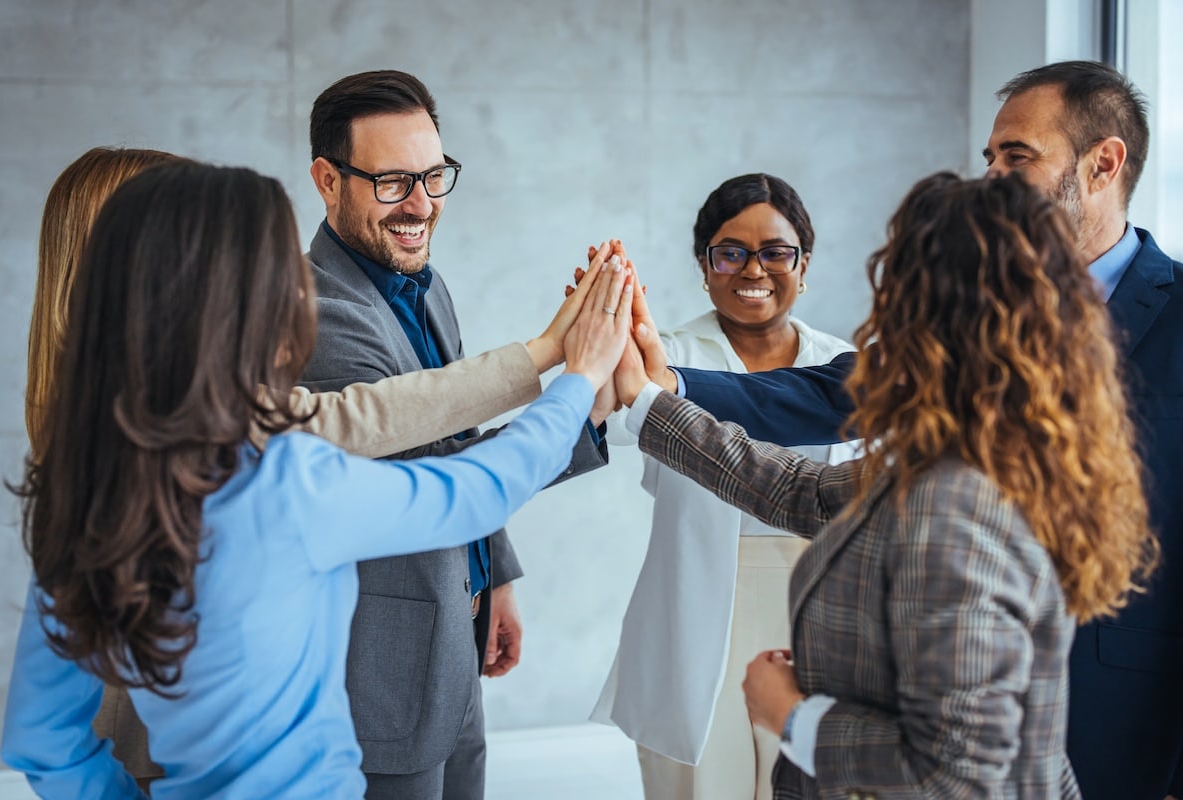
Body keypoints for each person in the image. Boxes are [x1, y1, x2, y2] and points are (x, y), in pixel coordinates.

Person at [631, 61, 1183, 800]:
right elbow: (812, 485)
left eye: (1015, 157)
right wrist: (653, 391)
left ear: (1103, 163)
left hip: (1127, 716)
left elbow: (955, 768)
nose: (993, 175)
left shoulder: (958, 502)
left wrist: (794, 716)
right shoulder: (965, 432)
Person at [0, 160, 634, 799]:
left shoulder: (83, 503)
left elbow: (44, 741)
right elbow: (478, 489)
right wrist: (578, 379)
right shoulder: (286, 483)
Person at [302, 69, 610, 799]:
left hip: (452, 634)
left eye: (434, 176)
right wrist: (583, 396)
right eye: (393, 182)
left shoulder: (424, 283)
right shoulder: (315, 313)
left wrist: (491, 571)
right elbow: (436, 479)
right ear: (326, 179)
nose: (421, 205)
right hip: (380, 672)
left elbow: (454, 429)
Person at [589, 174, 858, 799]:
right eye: (730, 252)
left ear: (804, 263)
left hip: (815, 605)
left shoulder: (843, 364)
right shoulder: (665, 354)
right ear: (705, 266)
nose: (753, 269)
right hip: (693, 615)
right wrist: (598, 348)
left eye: (775, 251)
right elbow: (599, 415)